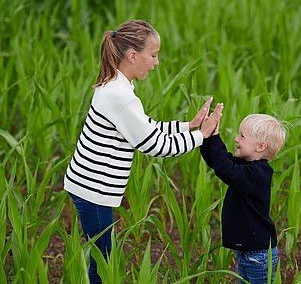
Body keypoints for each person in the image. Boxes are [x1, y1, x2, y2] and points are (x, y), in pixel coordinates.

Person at [63, 19, 222, 283]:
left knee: (103, 257)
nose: (157, 62)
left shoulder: (116, 85)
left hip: (89, 186)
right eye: (154, 55)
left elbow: (146, 128)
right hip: (93, 190)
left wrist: (188, 126)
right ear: (133, 55)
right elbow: (153, 145)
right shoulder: (120, 96)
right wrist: (201, 137)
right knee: (104, 261)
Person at [200, 113, 287, 284]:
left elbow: (225, 170)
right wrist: (207, 137)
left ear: (260, 146)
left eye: (242, 136)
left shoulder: (258, 174)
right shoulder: (246, 167)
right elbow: (218, 161)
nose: (236, 139)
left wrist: (215, 137)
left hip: (258, 255)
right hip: (248, 251)